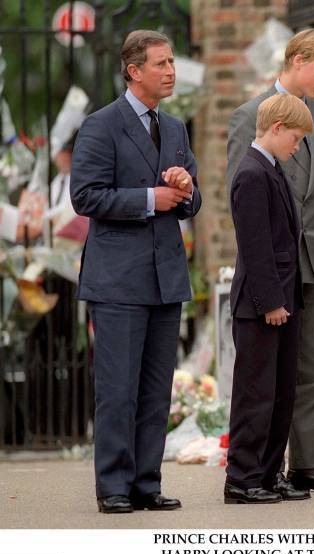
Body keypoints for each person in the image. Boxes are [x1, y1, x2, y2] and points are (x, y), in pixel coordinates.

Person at [70, 30, 202, 514]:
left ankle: (148, 482)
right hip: (118, 279)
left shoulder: (175, 129)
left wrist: (185, 187)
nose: (170, 72)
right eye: (162, 64)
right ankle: (114, 486)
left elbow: (193, 202)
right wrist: (151, 198)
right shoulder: (101, 126)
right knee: (118, 389)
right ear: (134, 71)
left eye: (172, 63)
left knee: (155, 390)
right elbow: (85, 196)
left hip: (166, 276)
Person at [226, 29, 314, 493]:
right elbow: (242, 193)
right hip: (277, 260)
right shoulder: (250, 116)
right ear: (297, 60)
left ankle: (307, 463)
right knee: (268, 371)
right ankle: (262, 470)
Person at [225, 93, 314, 504]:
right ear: (276, 128)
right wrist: (271, 301)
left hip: (283, 300)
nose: (297, 147)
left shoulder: (272, 168)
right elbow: (256, 246)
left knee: (281, 391)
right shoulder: (251, 173)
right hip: (262, 304)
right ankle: (242, 478)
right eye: (295, 138)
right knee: (256, 392)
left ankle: (269, 471)